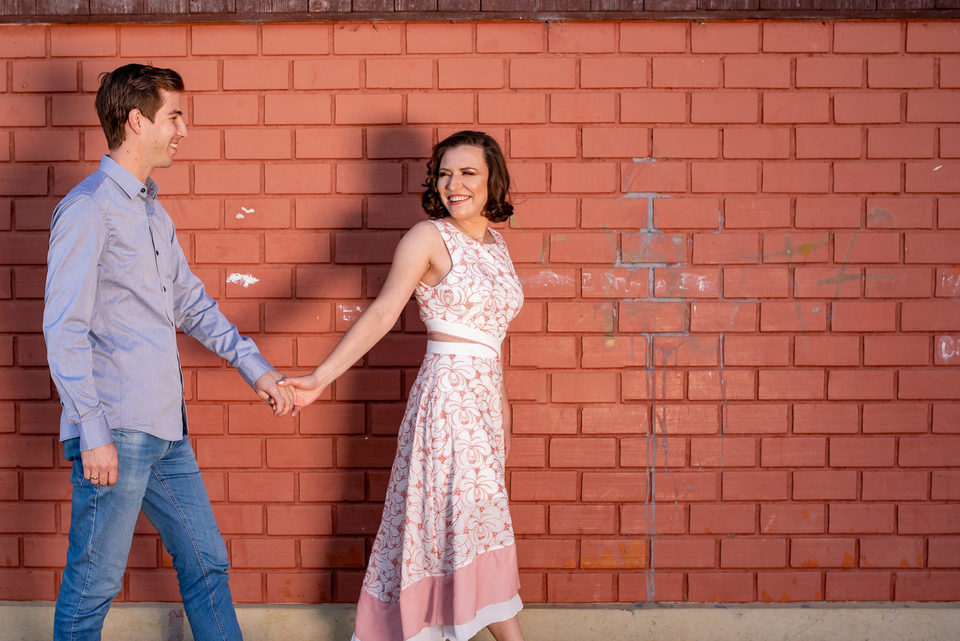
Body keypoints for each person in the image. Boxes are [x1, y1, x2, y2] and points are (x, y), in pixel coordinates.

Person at [43, 63, 294, 641]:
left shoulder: (153, 212)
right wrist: (92, 431)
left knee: (207, 563)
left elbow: (192, 305)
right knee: (93, 585)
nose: (184, 129)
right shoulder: (88, 208)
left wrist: (255, 369)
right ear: (137, 121)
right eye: (174, 116)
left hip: (165, 430)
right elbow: (64, 328)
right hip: (115, 429)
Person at [280, 131, 526, 641]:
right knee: (470, 526)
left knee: (469, 525)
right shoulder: (427, 237)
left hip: (484, 407)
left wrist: (503, 417)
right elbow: (383, 313)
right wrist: (320, 379)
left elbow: (493, 342)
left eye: (468, 173)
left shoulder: (497, 245)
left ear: (493, 180)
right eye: (445, 174)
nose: (454, 185)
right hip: (449, 403)